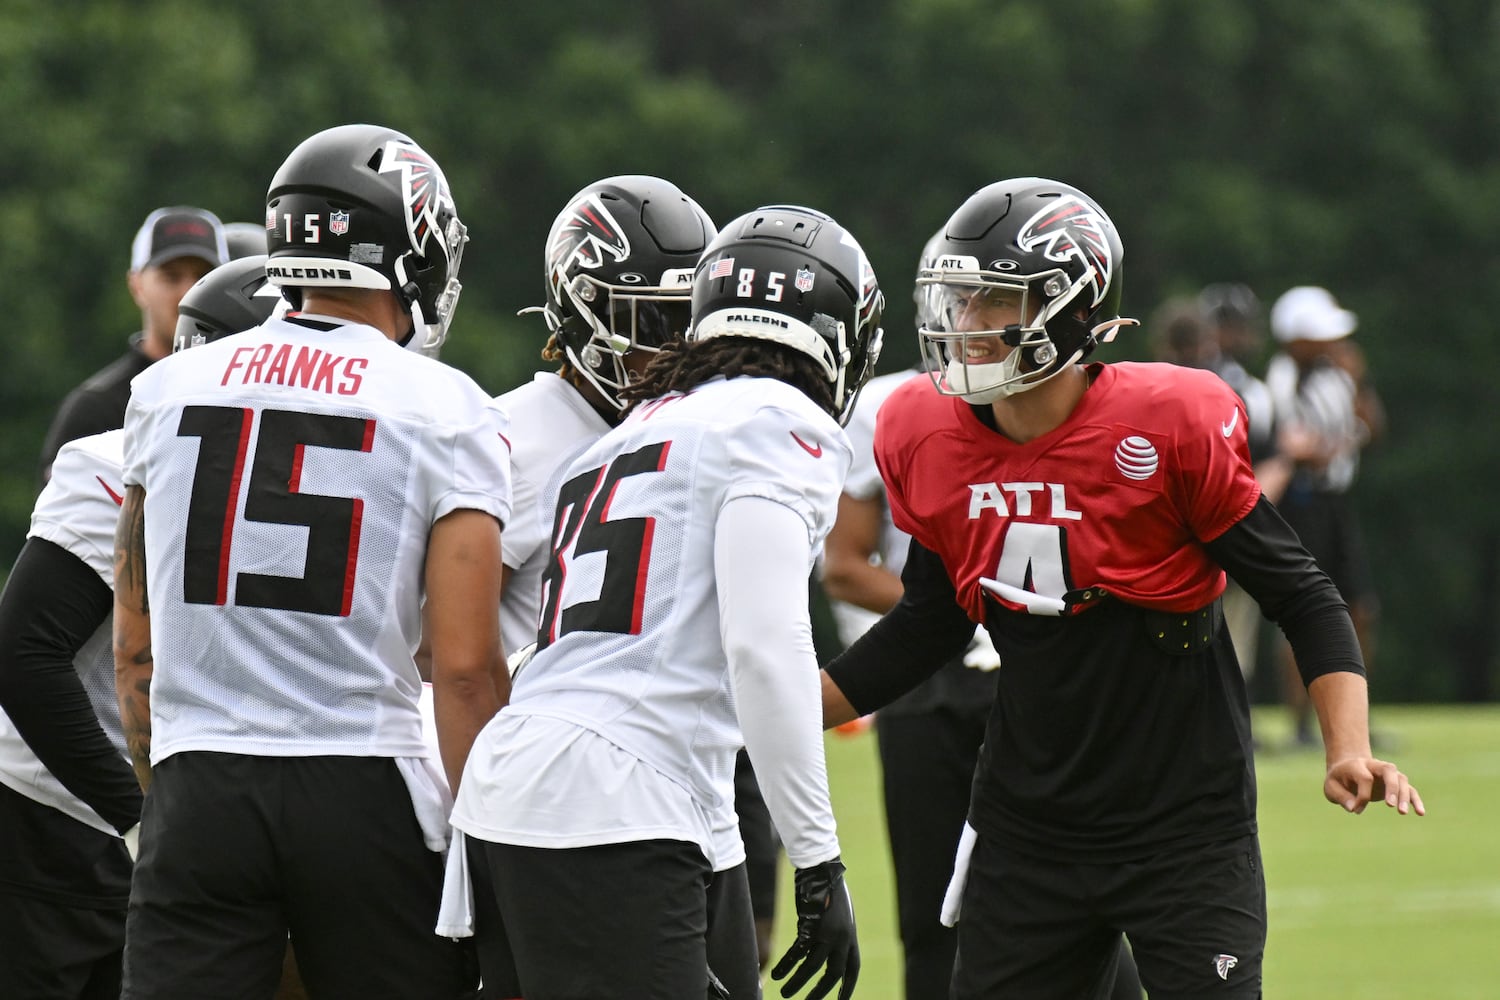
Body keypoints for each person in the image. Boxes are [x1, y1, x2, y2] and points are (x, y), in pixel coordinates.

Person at [818, 177, 1423, 999]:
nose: (965, 323)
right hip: (1029, 828)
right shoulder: (926, 433)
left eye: (994, 300)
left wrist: (1347, 746)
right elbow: (929, 621)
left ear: (1071, 310)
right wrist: (781, 706)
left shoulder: (1167, 422)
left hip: (1184, 825)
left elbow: (1304, 596)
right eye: (961, 299)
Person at [112, 123, 510, 999]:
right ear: (410, 251)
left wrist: (170, 789)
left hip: (198, 784)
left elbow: (133, 648)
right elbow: (465, 667)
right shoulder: (448, 408)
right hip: (364, 786)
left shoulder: (166, 389)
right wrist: (496, 853)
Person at [451, 204, 884, 1000]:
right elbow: (764, 644)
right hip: (614, 808)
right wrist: (819, 860)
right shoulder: (780, 420)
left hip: (540, 794)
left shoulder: (638, 424)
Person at [0, 254, 280, 1000]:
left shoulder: (273, 490)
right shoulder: (116, 461)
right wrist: (144, 817)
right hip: (43, 818)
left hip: (146, 821)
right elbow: (22, 654)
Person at [1265, 285, 1386, 748]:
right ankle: (1301, 724)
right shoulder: (1281, 379)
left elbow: (1372, 428)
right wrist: (1330, 447)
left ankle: (1358, 720)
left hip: (1336, 502)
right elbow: (1301, 451)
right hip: (1302, 505)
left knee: (1359, 610)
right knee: (1304, 612)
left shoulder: (1337, 375)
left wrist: (1360, 381)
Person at [38, 205, 228, 483]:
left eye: (203, 277)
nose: (188, 293)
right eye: (171, 276)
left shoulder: (238, 394)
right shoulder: (96, 408)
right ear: (136, 285)